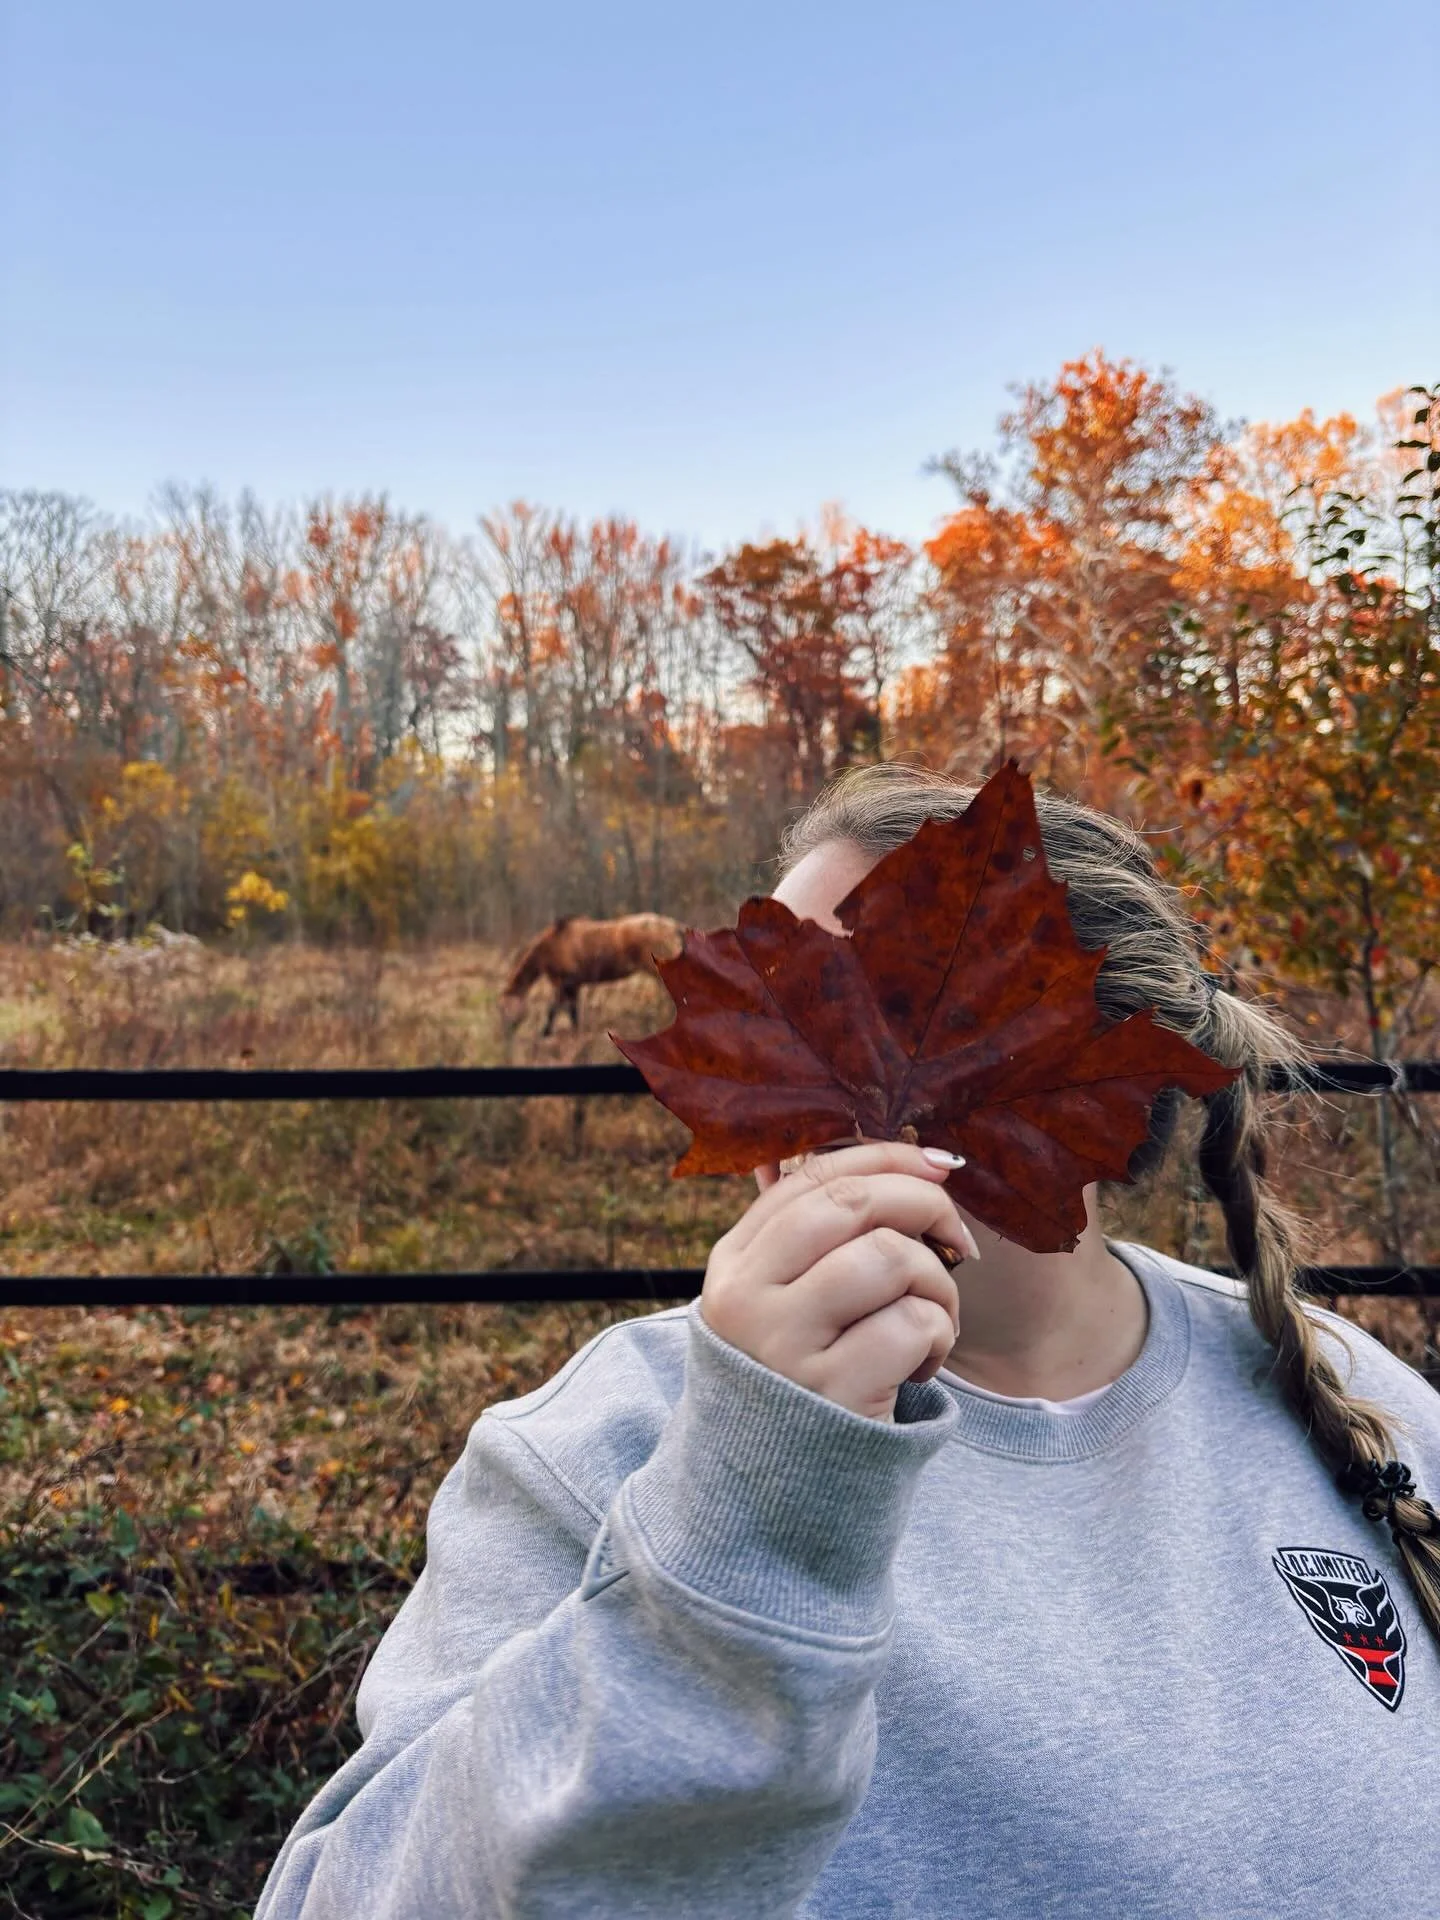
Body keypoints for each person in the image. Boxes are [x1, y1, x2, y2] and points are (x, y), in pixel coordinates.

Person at [255, 763, 1440, 1920]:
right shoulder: (601, 1450)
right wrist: (738, 1525)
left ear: (1098, 1057)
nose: (794, 1083)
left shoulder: (1356, 1404)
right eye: (781, 1013)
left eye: (872, 1014)